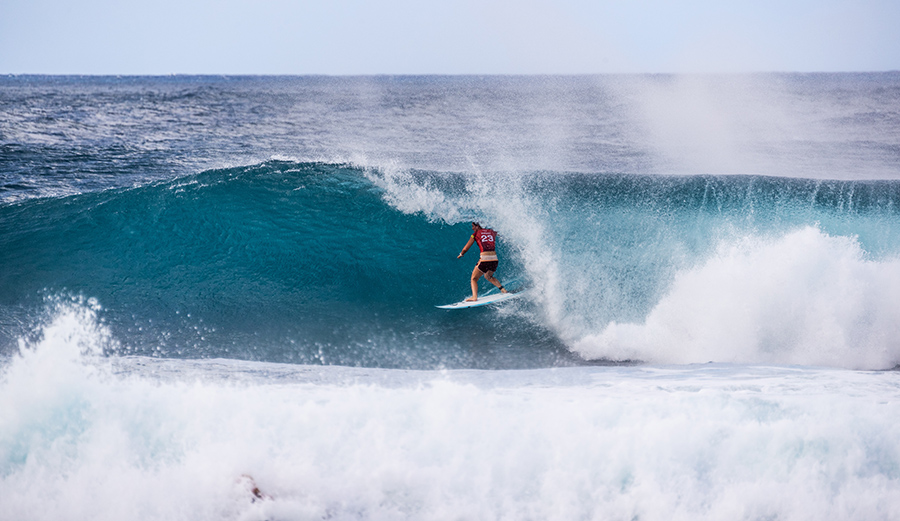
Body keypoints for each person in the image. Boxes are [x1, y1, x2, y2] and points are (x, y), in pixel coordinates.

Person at [457, 222, 508, 302]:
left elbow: (465, 248)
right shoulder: (492, 232)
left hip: (485, 259)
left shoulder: (475, 234)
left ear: (477, 226)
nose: (472, 228)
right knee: (488, 276)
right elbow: (502, 234)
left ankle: (474, 297)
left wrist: (461, 254)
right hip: (494, 259)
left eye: (473, 226)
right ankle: (503, 290)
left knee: (474, 278)